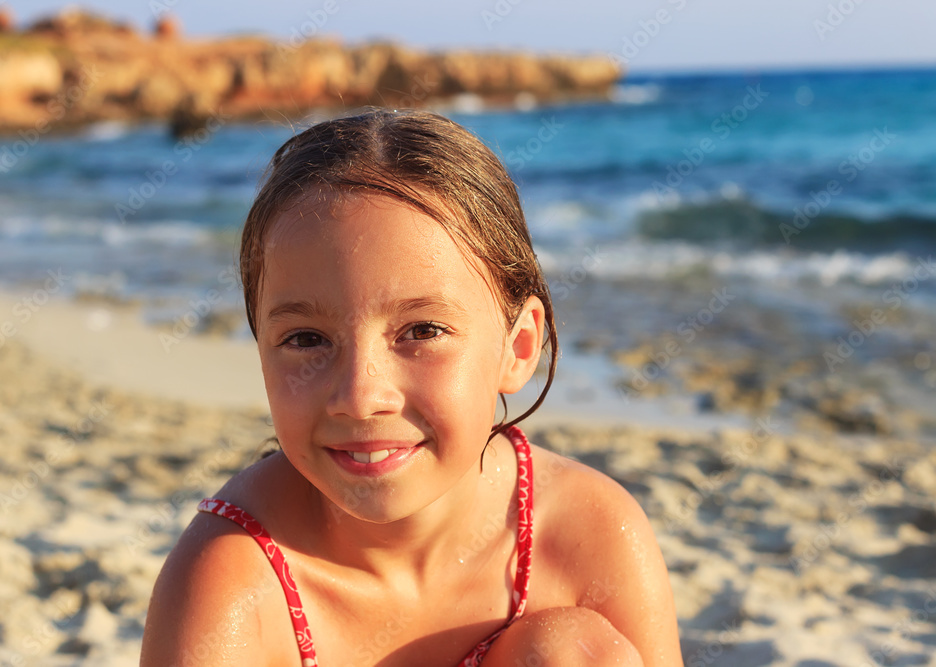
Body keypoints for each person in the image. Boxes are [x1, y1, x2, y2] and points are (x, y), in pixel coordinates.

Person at [140, 109, 682, 666]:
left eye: (422, 331)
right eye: (306, 339)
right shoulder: (236, 579)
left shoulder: (584, 535)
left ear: (518, 349)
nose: (360, 395)